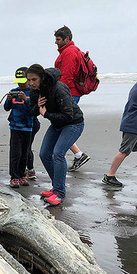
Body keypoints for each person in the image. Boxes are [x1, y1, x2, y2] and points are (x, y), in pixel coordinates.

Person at [27, 64, 84, 206]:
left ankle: (59, 193)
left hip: (74, 123)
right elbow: (32, 112)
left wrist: (47, 114)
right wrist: (37, 106)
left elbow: (68, 115)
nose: (31, 83)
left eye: (34, 79)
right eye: (29, 80)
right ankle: (57, 187)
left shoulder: (59, 88)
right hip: (57, 124)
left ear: (42, 78)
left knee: (58, 153)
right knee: (44, 154)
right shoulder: (35, 91)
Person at [54, 25, 90, 171]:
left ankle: (77, 155)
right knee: (61, 126)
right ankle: (78, 154)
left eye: (58, 39)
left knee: (63, 127)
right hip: (70, 93)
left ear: (66, 38)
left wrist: (59, 95)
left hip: (69, 94)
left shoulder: (69, 52)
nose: (55, 42)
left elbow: (66, 77)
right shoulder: (68, 51)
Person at [4, 67, 34, 187]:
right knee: (15, 153)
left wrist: (25, 99)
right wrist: (9, 99)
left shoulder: (32, 92)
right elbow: (6, 108)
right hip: (15, 126)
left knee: (24, 153)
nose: (21, 84)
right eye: (19, 81)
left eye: (23, 81)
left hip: (28, 126)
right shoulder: (13, 90)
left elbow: (33, 110)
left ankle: (22, 175)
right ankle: (14, 177)